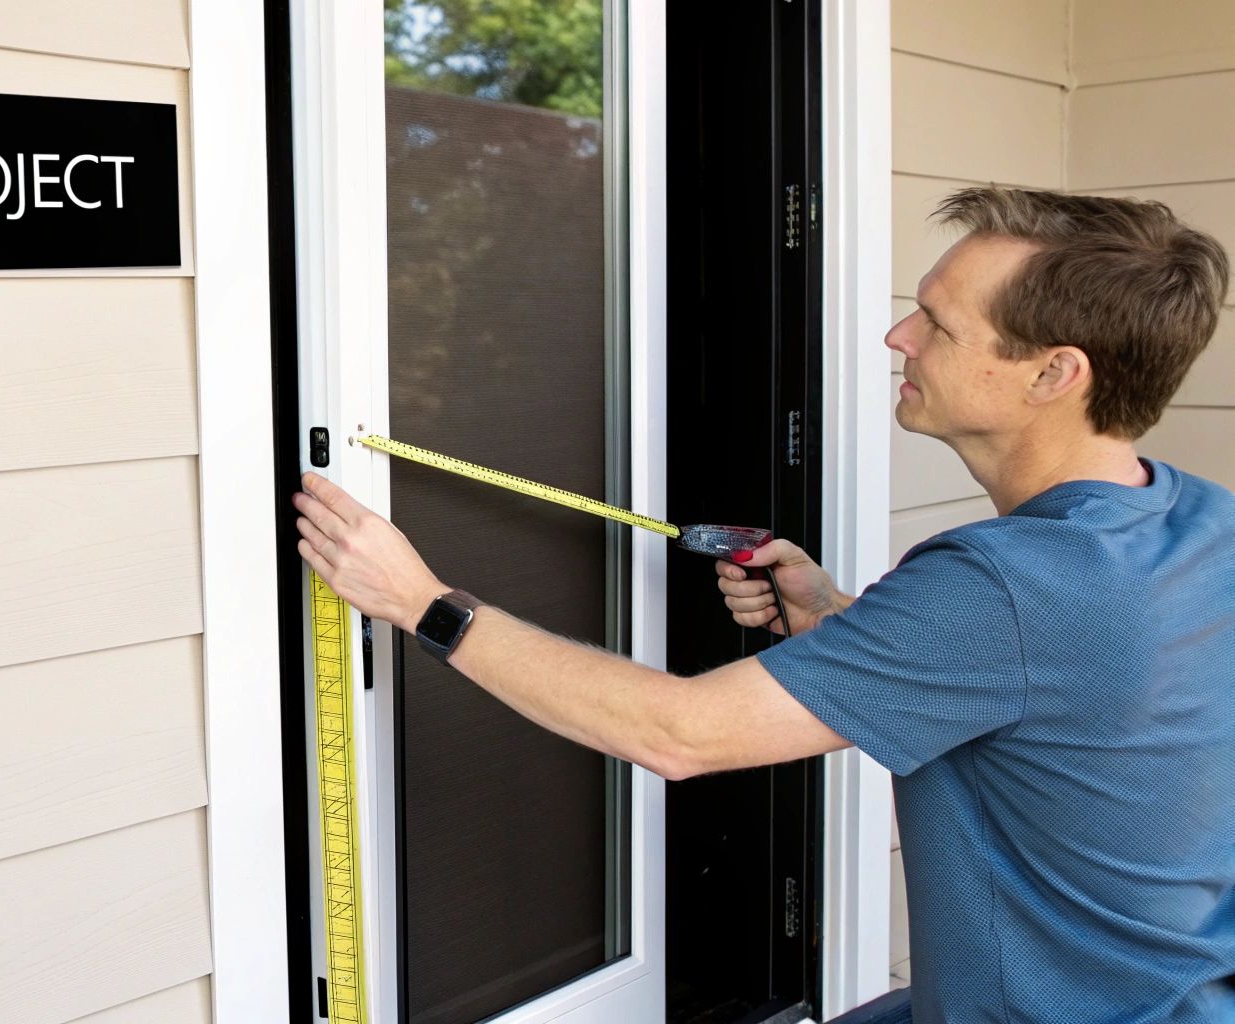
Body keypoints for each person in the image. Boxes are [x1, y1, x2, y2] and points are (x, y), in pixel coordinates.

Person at [292, 187, 1235, 1024]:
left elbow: (681, 734)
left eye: (937, 324)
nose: (897, 338)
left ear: (1052, 374)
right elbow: (1069, 691)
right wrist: (835, 616)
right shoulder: (1199, 521)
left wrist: (421, 602)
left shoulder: (1004, 586)